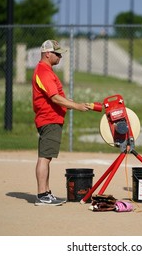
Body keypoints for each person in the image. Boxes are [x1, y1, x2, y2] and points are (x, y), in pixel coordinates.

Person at [32, 39, 92, 206]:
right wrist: (77, 106)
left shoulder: (46, 70)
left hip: (51, 118)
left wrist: (68, 102)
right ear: (47, 54)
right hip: (49, 119)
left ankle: (46, 192)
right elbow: (54, 97)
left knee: (47, 157)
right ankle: (42, 195)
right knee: (44, 157)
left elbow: (56, 97)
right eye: (57, 54)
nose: (60, 57)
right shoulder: (43, 71)